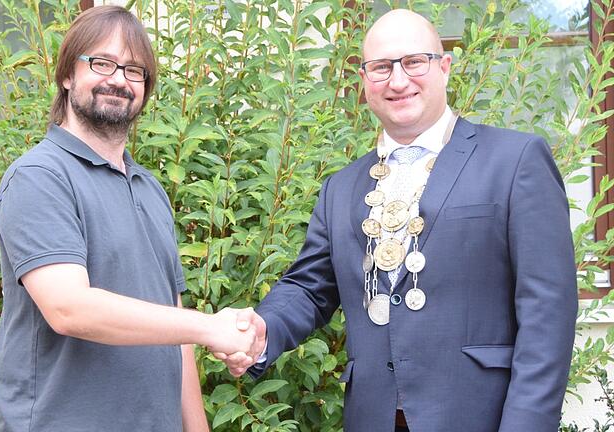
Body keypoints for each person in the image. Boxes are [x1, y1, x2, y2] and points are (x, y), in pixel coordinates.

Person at [219, 8, 578, 432]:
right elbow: (309, 288)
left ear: (444, 67)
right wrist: (262, 329)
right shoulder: (341, 187)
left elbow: (547, 312)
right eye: (381, 67)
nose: (398, 80)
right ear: (363, 82)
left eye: (414, 62)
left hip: (482, 418)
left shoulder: (515, 160)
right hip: (374, 418)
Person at [0, 6, 261, 432]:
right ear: (66, 74)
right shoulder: (39, 177)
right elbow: (69, 308)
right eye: (102, 63)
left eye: (134, 70)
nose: (118, 79)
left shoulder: (149, 188)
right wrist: (209, 327)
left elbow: (176, 327)